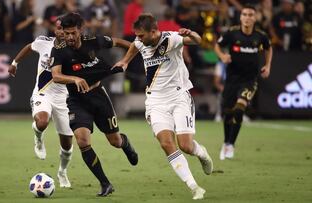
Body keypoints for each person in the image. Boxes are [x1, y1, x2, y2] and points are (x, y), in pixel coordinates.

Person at [114, 13, 213, 200]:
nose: (139, 39)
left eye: (142, 35)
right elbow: (134, 46)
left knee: (186, 145)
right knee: (167, 143)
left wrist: (191, 33)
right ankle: (194, 187)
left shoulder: (172, 39)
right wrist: (125, 61)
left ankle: (201, 153)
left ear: (154, 31)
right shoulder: (140, 41)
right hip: (155, 101)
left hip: (178, 97)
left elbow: (198, 41)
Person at [49, 12, 138, 197]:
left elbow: (120, 42)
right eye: (66, 33)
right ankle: (105, 184)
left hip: (98, 96)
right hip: (76, 101)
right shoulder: (59, 48)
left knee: (114, 141)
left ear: (80, 30)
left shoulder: (94, 41)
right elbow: (55, 76)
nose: (70, 37)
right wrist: (74, 79)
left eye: (73, 33)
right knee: (82, 140)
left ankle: (125, 143)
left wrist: (128, 58)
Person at [8, 19, 73, 188]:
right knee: (42, 121)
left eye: (64, 30)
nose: (61, 32)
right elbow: (28, 48)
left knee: (67, 145)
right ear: (55, 29)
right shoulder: (43, 42)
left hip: (63, 99)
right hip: (42, 93)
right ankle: (38, 138)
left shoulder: (74, 50)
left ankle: (62, 172)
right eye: (59, 28)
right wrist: (15, 63)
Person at [214, 4, 273, 160]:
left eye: (250, 15)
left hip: (249, 80)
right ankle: (226, 142)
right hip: (232, 80)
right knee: (227, 113)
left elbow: (268, 48)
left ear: (255, 18)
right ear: (240, 17)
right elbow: (217, 46)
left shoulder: (260, 36)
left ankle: (231, 144)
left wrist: (267, 65)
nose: (247, 17)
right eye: (245, 14)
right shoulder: (232, 33)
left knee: (240, 109)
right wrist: (222, 57)